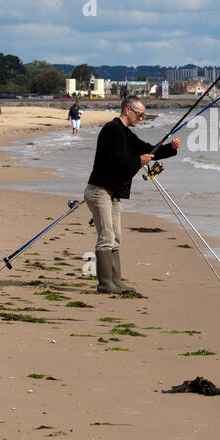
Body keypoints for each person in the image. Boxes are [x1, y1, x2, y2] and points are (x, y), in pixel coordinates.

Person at [84, 95, 180, 295]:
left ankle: (116, 281)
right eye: (140, 114)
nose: (141, 118)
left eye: (143, 115)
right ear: (128, 110)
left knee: (116, 237)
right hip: (99, 190)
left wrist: (170, 149)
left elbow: (147, 151)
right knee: (106, 236)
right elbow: (115, 160)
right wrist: (138, 161)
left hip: (114, 192)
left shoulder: (127, 134)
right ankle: (105, 284)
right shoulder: (112, 130)